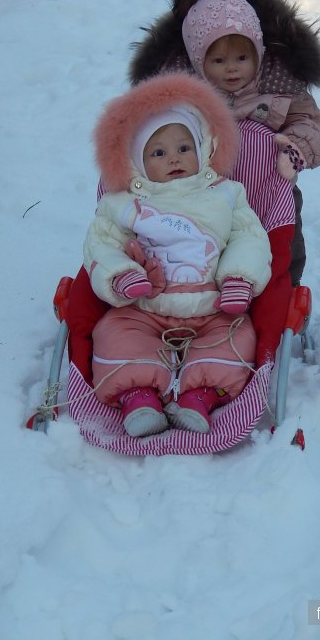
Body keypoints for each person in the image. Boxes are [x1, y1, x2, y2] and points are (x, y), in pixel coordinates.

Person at [83, 72, 272, 438]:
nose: (174, 158)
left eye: (184, 148)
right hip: (143, 308)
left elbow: (249, 237)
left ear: (202, 149)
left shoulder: (226, 194)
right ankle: (139, 398)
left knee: (238, 337)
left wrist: (238, 278)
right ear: (137, 162)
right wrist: (121, 275)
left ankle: (199, 397)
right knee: (113, 333)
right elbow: (100, 244)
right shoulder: (123, 205)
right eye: (158, 152)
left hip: (214, 305)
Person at [128, 0, 320, 285]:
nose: (232, 68)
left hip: (268, 190)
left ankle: (286, 293)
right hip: (201, 196)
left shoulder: (277, 84)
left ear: (258, 52)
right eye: (219, 60)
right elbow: (151, 131)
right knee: (212, 245)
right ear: (197, 58)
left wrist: (297, 147)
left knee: (284, 243)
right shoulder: (183, 92)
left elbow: (310, 121)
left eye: (241, 57)